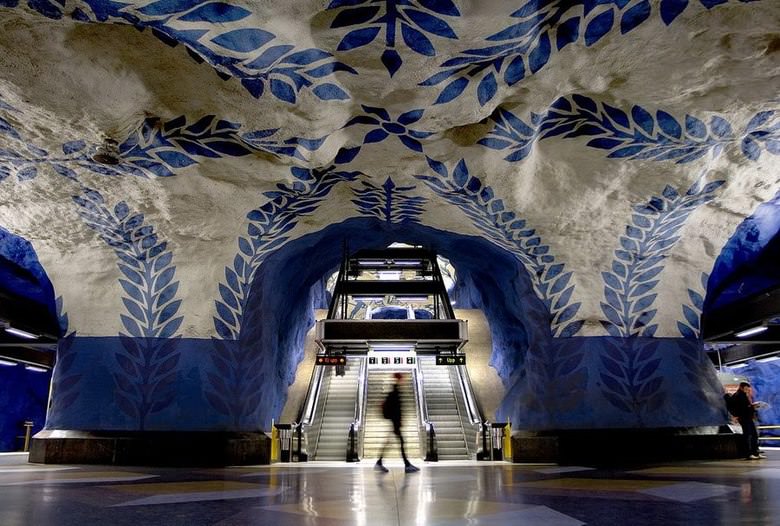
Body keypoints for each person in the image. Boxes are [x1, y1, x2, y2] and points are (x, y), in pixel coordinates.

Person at [375, 372, 419, 473]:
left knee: (392, 442)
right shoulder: (396, 392)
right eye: (402, 379)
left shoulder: (395, 391)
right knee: (400, 442)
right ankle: (407, 465)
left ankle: (380, 461)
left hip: (395, 422)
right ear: (399, 379)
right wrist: (399, 421)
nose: (404, 381)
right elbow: (396, 409)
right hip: (395, 422)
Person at [732, 382, 766, 460]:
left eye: (748, 388)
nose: (747, 390)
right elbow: (741, 408)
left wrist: (752, 406)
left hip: (748, 418)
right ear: (741, 387)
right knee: (748, 436)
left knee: (754, 435)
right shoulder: (738, 396)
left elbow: (746, 407)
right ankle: (748, 454)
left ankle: (755, 452)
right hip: (744, 418)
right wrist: (752, 407)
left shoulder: (744, 395)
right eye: (746, 388)